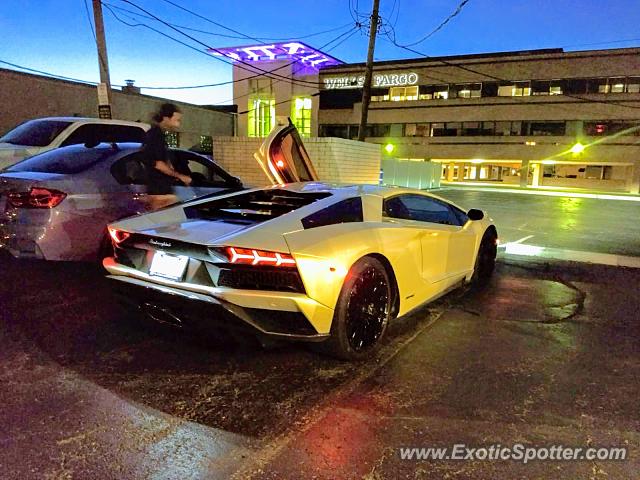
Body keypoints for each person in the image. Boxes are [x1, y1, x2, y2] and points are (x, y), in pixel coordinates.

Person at [142, 103, 192, 209]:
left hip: (162, 190)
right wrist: (180, 176)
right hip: (160, 192)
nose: (178, 124)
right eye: (177, 120)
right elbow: (158, 164)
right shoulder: (156, 135)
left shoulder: (157, 134)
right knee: (169, 223)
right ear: (166, 118)